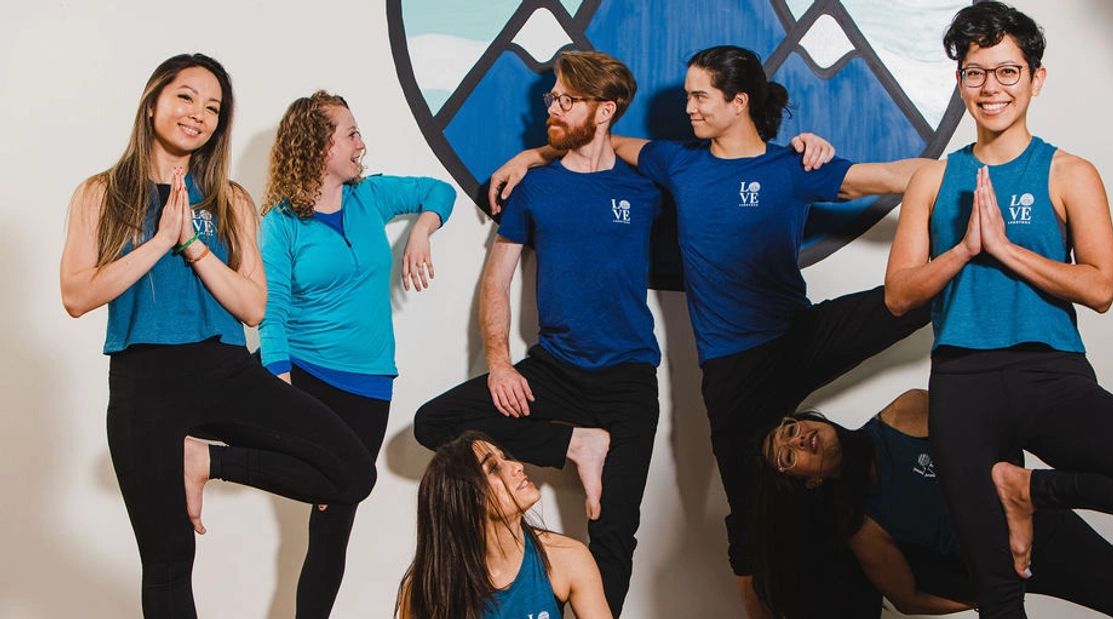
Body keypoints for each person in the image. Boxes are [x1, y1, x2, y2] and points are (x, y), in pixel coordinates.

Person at [491, 45, 932, 616]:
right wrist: (531, 155)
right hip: (733, 371)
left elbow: (898, 176)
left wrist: (982, 173)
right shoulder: (679, 163)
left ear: (738, 101)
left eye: (700, 96)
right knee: (749, 521)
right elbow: (603, 141)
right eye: (688, 96)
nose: (689, 108)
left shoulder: (791, 167)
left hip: (798, 336)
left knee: (912, 299)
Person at [883, 3, 1113, 617]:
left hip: (1049, 375)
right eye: (976, 73)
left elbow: (1100, 287)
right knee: (998, 591)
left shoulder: (1069, 173)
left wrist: (1005, 249)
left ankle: (1025, 488)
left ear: (1036, 79)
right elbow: (898, 294)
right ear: (960, 82)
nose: (991, 88)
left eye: (1007, 72)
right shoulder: (933, 179)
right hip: (962, 386)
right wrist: (965, 251)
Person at [58, 54, 376, 617]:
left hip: (225, 371)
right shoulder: (101, 193)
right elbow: (76, 295)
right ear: (153, 102)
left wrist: (192, 245)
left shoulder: (231, 199)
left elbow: (253, 307)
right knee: (168, 560)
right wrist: (159, 241)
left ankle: (205, 459)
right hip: (143, 383)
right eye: (186, 97)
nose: (198, 114)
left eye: (213, 107)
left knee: (351, 471)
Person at [413, 51, 660, 615]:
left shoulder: (645, 187)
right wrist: (500, 364)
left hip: (628, 383)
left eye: (566, 100)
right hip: (556, 370)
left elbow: (710, 166)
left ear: (604, 110)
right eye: (552, 97)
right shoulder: (536, 188)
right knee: (434, 422)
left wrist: (533, 152)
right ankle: (577, 443)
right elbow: (497, 280)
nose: (552, 108)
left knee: (613, 532)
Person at [754, 390, 1113, 618]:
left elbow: (993, 427)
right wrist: (983, 597)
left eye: (791, 429)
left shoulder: (904, 411)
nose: (797, 438)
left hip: (1040, 525)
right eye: (787, 455)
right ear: (809, 480)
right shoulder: (862, 526)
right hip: (998, 571)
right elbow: (907, 599)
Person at [259, 90, 455, 618]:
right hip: (307, 377)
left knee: (337, 514)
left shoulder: (370, 197)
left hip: (369, 385)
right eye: (350, 134)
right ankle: (208, 461)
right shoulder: (280, 223)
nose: (361, 144)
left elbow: (439, 190)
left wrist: (422, 229)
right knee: (332, 494)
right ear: (318, 145)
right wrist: (283, 397)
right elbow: (271, 315)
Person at [397, 431, 611, 619]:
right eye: (493, 468)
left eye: (505, 457)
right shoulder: (427, 587)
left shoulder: (567, 557)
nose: (517, 466)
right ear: (466, 500)